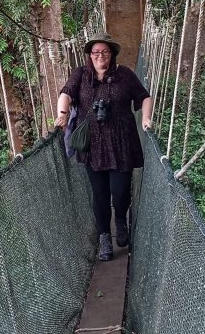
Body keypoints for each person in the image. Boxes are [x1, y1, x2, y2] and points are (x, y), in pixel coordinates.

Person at [55, 32, 153, 262]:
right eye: (96, 52)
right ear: (90, 55)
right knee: (99, 195)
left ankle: (120, 218)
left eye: (105, 52)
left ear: (112, 55)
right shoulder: (81, 74)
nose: (100, 56)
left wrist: (147, 119)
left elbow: (144, 97)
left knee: (119, 192)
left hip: (121, 144)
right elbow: (65, 94)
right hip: (93, 148)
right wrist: (62, 114)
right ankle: (104, 238)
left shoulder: (125, 75)